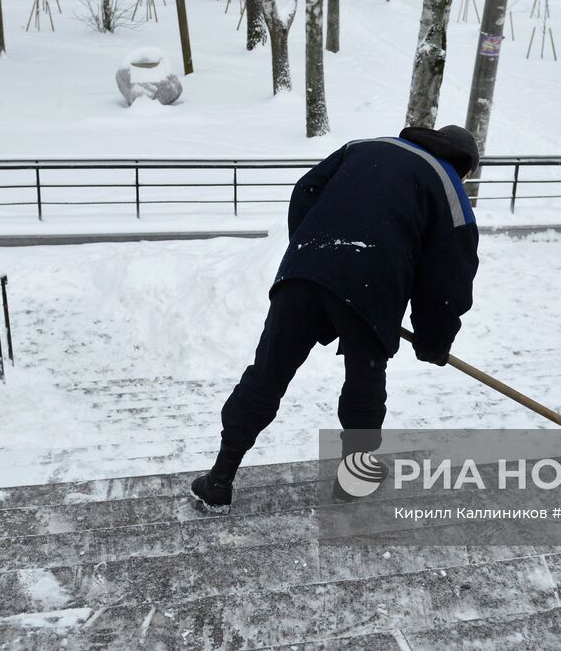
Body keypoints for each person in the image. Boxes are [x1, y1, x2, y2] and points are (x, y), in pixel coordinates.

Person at [191, 125, 481, 513]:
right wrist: (434, 338)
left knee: (266, 376)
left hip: (303, 271)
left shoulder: (363, 147)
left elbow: (306, 189)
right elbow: (450, 276)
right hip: (372, 286)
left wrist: (317, 253)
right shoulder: (449, 184)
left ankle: (219, 479)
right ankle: (354, 485)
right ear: (464, 168)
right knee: (364, 382)